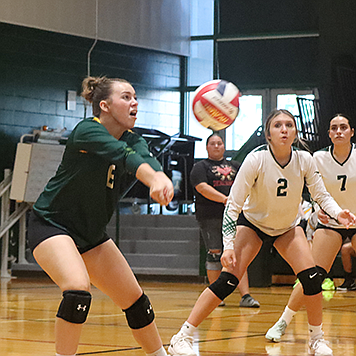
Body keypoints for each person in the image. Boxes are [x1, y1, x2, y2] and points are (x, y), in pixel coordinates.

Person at [168, 109, 356, 356]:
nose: (284, 129)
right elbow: (233, 206)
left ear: (295, 132)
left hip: (288, 228)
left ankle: (316, 339)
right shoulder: (256, 159)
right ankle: (182, 336)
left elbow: (320, 194)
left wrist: (337, 213)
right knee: (228, 281)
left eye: (289, 124)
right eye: (278, 125)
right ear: (268, 133)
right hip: (254, 224)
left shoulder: (304, 159)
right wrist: (228, 245)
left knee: (311, 278)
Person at [27, 76, 174, 356]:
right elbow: (124, 155)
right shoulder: (87, 131)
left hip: (91, 235)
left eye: (135, 97)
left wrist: (160, 178)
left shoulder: (133, 138)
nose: (135, 103)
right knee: (77, 290)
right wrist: (152, 178)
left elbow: (144, 157)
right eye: (126, 97)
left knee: (136, 301)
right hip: (52, 226)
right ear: (104, 105)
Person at [265, 113, 356, 345]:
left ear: (351, 132)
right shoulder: (318, 157)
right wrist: (318, 209)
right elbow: (314, 189)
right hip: (330, 223)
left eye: (343, 127)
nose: (339, 131)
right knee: (311, 275)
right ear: (328, 134)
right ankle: (284, 321)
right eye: (334, 128)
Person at [190, 133, 260, 308]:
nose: (216, 146)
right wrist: (225, 199)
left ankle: (245, 296)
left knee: (238, 254)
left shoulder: (235, 166)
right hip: (210, 216)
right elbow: (202, 188)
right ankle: (217, 296)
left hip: (237, 216)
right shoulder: (200, 167)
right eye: (212, 143)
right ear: (207, 147)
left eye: (219, 143)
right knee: (215, 253)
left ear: (223, 146)